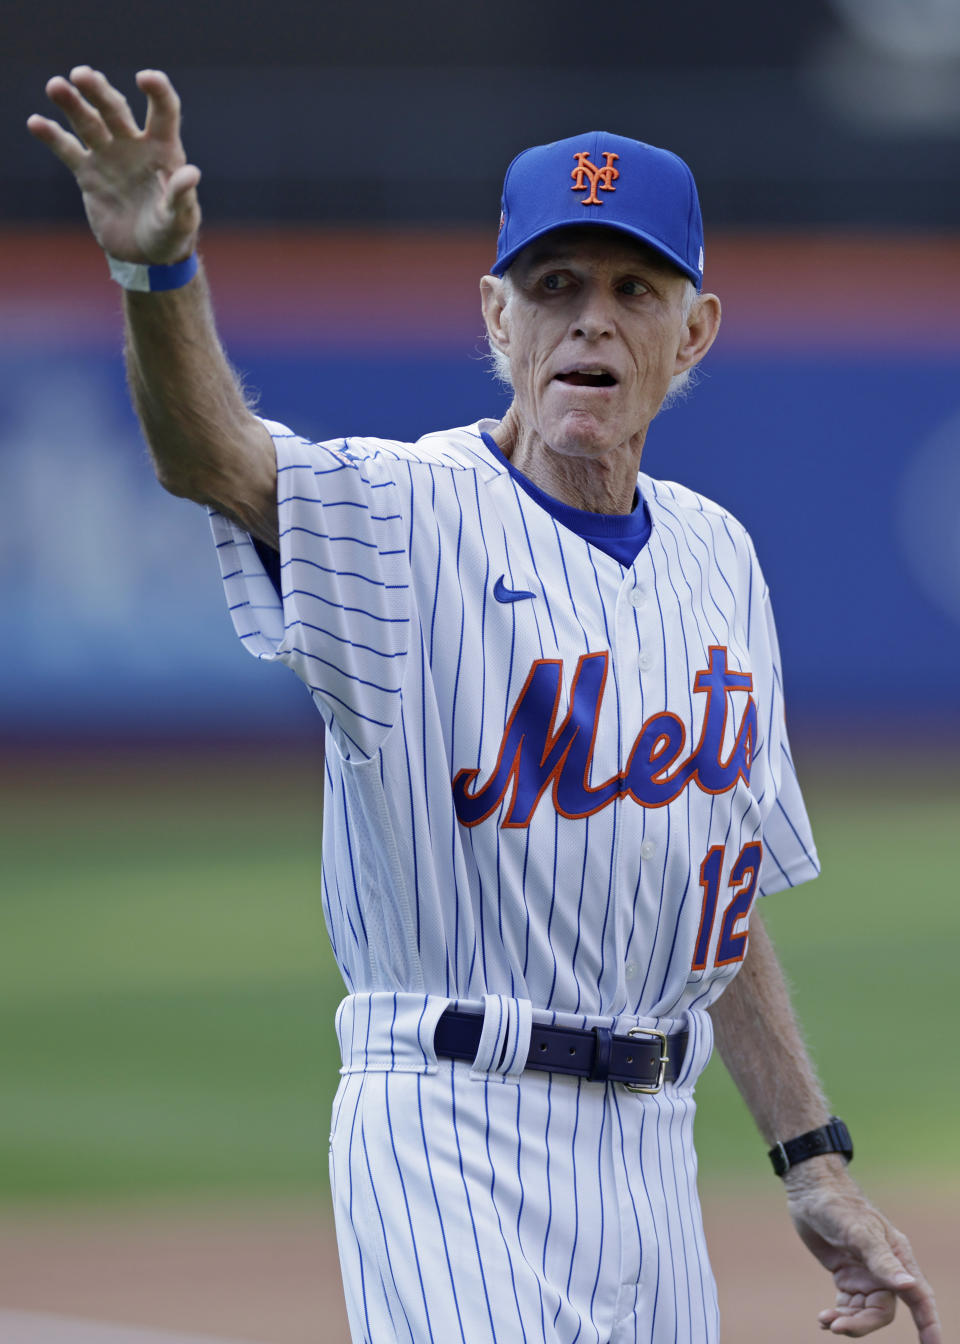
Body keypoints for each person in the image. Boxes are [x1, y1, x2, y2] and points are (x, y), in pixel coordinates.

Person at [28, 67, 942, 1344]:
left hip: (652, 1153)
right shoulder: (403, 514)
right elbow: (213, 457)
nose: (590, 325)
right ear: (495, 318)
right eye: (554, 287)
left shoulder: (719, 556)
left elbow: (715, 894)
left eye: (634, 291)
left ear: (698, 332)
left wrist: (813, 1161)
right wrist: (157, 277)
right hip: (451, 1128)